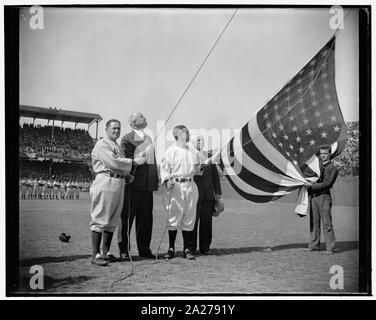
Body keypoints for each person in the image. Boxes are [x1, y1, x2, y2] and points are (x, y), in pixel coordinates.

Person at [89, 119, 145, 266]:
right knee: (100, 218)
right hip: (105, 181)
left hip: (118, 183)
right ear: (106, 129)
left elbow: (118, 165)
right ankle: (95, 255)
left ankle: (105, 253)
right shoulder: (102, 144)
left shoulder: (116, 146)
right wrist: (133, 162)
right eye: (113, 128)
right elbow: (112, 162)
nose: (116, 131)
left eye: (118, 129)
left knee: (113, 220)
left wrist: (126, 175)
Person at [117, 113, 159, 260]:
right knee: (126, 219)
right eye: (141, 116)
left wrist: (155, 180)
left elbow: (153, 162)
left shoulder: (148, 139)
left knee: (146, 220)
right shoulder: (127, 139)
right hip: (133, 186)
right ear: (135, 122)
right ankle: (124, 250)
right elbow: (123, 160)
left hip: (147, 187)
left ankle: (144, 249)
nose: (145, 117)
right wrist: (140, 156)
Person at [160, 125, 200, 260]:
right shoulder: (171, 151)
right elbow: (164, 169)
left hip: (190, 184)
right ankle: (171, 248)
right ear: (177, 135)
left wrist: (204, 164)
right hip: (176, 186)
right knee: (174, 216)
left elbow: (198, 170)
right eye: (185, 132)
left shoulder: (192, 151)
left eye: (188, 132)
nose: (188, 134)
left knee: (189, 216)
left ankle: (187, 249)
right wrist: (166, 181)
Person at [188, 135, 222, 255]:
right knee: (193, 222)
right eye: (198, 139)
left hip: (208, 196)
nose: (201, 141)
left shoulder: (209, 156)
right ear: (192, 142)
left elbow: (215, 176)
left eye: (202, 140)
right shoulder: (189, 155)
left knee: (207, 223)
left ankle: (205, 247)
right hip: (195, 195)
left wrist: (217, 193)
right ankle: (190, 248)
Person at [304, 145, 338, 255]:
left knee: (327, 223)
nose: (323, 155)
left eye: (325, 153)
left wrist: (312, 186)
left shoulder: (333, 168)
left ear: (330, 154)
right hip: (313, 197)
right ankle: (314, 246)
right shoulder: (316, 166)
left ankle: (330, 248)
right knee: (314, 222)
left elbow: (327, 184)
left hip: (324, 197)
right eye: (321, 154)